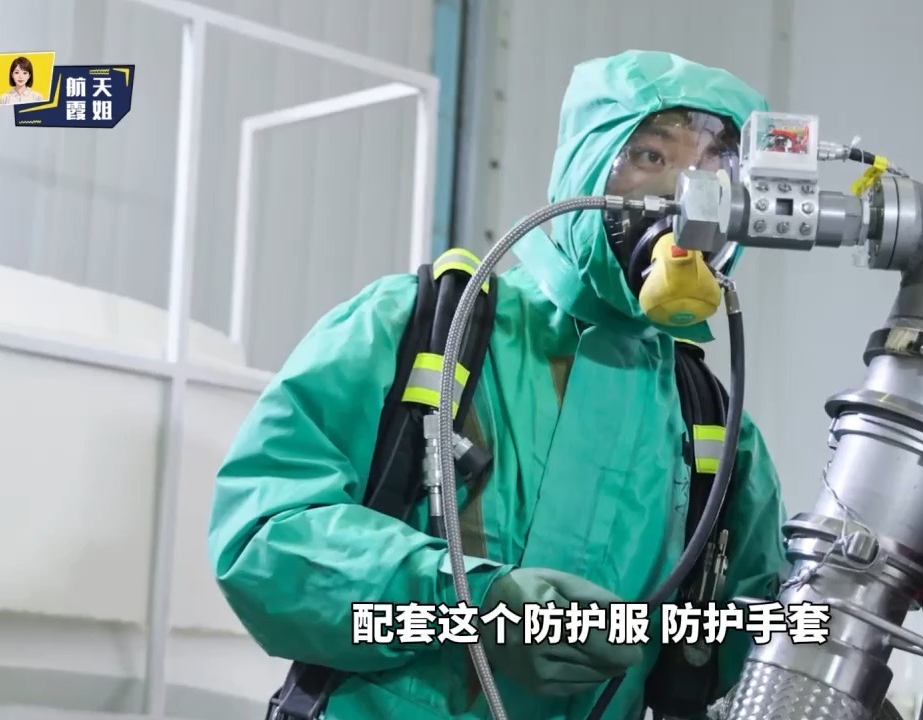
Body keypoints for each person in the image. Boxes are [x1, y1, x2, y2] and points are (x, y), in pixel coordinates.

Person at [208, 49, 789, 720]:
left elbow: (754, 637)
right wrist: (469, 604)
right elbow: (262, 537)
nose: (683, 202)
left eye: (712, 172)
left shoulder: (714, 426)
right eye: (652, 157)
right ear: (587, 164)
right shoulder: (418, 328)